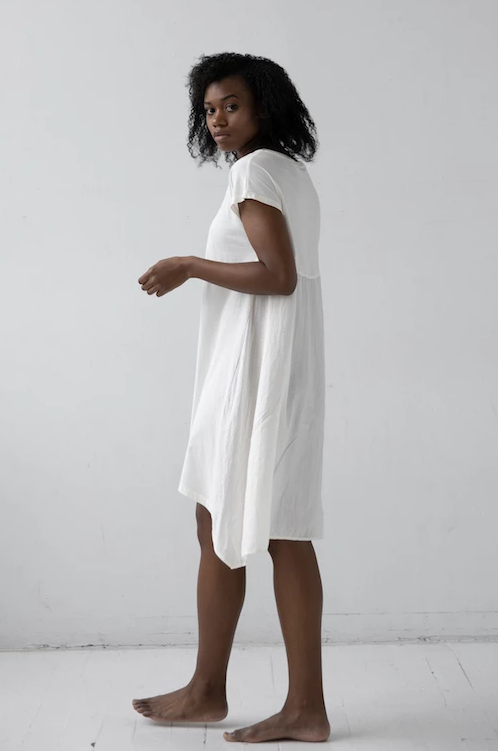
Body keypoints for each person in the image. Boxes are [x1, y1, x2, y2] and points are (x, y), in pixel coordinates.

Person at [132, 52, 330, 744]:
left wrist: (188, 264)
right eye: (210, 109)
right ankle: (211, 689)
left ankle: (285, 705)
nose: (217, 119)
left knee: (271, 527)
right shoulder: (288, 171)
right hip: (273, 365)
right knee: (249, 523)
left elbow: (278, 276)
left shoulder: (255, 172)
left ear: (264, 107)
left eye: (232, 106)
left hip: (257, 374)